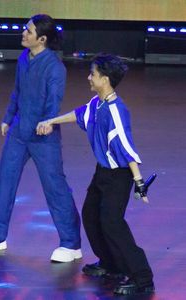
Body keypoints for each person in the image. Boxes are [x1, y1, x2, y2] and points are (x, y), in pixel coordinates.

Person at [36, 53, 154, 295]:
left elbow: (126, 147)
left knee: (112, 224)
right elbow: (78, 114)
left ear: (106, 79)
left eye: (93, 74)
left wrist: (139, 182)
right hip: (102, 173)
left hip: (119, 176)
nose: (89, 77)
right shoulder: (96, 104)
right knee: (91, 215)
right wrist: (51, 121)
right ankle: (111, 265)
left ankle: (142, 277)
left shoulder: (116, 111)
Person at [0, 14, 82, 263]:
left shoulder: (55, 67)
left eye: (28, 31)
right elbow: (18, 91)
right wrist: (7, 118)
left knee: (55, 187)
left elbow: (54, 100)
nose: (23, 33)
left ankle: (71, 243)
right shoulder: (24, 58)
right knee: (5, 182)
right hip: (19, 132)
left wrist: (47, 122)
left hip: (44, 136)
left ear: (41, 39)